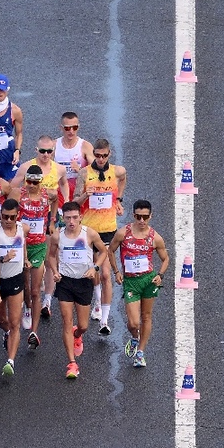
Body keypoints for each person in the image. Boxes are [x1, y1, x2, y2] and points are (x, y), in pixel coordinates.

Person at [44, 201, 107, 379]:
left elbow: (103, 252)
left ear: (80, 217)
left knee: (83, 325)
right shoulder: (58, 235)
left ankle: (77, 335)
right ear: (63, 219)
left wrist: (95, 269)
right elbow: (51, 256)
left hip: (84, 282)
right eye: (68, 218)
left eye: (74, 217)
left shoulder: (90, 234)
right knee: (66, 320)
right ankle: (72, 363)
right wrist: (55, 272)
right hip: (65, 282)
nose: (71, 221)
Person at [109, 200, 170, 368]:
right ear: (133, 215)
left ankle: (141, 353)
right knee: (134, 323)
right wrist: (116, 271)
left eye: (145, 217)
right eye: (138, 217)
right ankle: (135, 338)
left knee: (146, 316)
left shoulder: (155, 237)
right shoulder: (123, 233)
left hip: (148, 280)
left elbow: (165, 259)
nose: (141, 221)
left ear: (150, 216)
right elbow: (110, 251)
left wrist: (160, 275)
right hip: (131, 281)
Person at [76, 139, 127, 333]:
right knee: (93, 273)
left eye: (104, 155)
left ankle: (104, 321)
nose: (100, 158)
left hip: (108, 229)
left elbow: (123, 178)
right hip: (89, 231)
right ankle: (97, 300)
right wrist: (85, 196)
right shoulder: (84, 174)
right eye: (97, 155)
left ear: (109, 155)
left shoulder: (116, 171)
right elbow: (75, 203)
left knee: (106, 273)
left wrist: (119, 200)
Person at [0, 201, 26, 377]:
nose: (8, 220)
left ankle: (10, 360)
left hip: (16, 278)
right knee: (2, 320)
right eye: (4, 216)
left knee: (16, 322)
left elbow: (22, 245)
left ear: (18, 216)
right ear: (0, 214)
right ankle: (7, 333)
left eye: (12, 217)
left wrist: (25, 259)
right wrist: (2, 258)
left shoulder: (23, 228)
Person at [16, 165, 55, 339]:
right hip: (23, 245)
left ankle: (34, 330)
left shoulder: (48, 195)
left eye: (34, 182)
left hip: (39, 246)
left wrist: (52, 221)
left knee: (35, 290)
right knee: (25, 286)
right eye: (28, 181)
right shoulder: (19, 195)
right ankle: (27, 308)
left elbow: (56, 200)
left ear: (40, 181)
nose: (31, 185)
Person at [52, 111, 94, 202]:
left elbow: (96, 173)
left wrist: (80, 170)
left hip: (79, 195)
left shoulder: (85, 146)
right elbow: (44, 169)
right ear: (61, 128)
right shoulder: (54, 146)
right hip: (60, 195)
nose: (71, 131)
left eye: (74, 128)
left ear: (78, 127)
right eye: (67, 128)